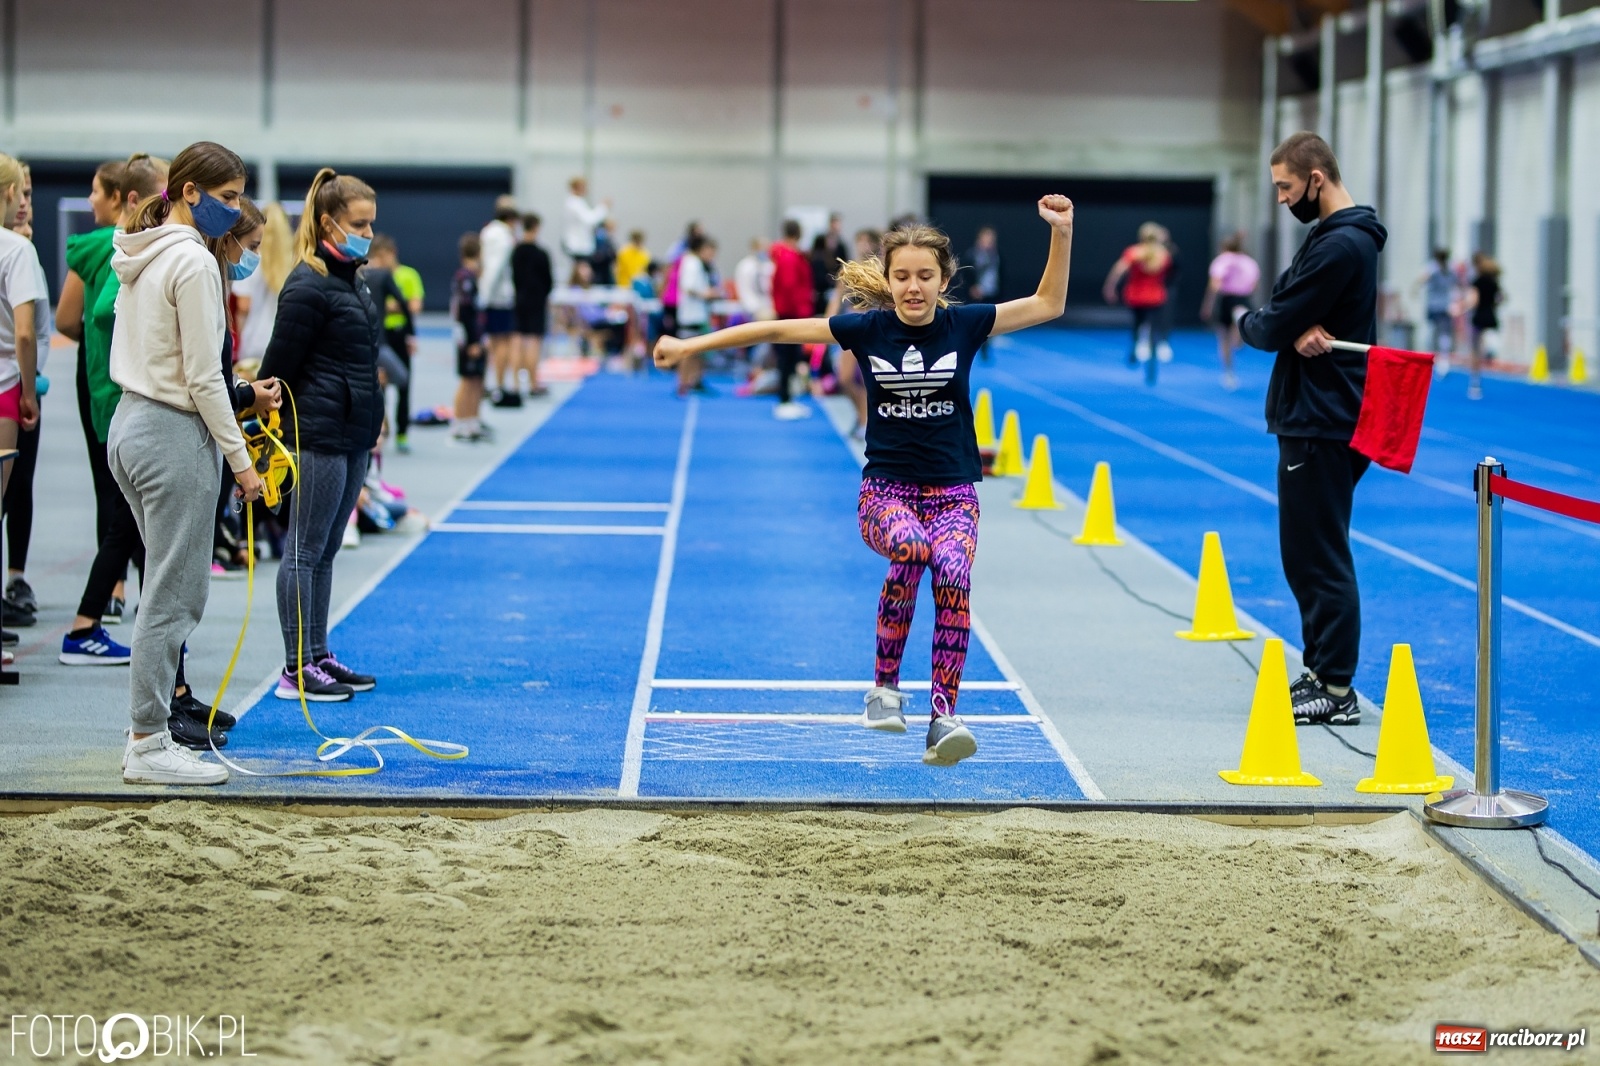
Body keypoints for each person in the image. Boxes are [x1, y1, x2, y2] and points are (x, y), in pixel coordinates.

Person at [653, 195, 1075, 766]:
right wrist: (689, 345)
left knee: (951, 568)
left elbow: (1049, 302)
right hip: (887, 494)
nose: (913, 287)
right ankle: (884, 689)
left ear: (944, 279)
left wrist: (1063, 232)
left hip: (953, 492)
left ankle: (944, 716)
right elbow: (776, 330)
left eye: (925, 275)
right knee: (911, 547)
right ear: (887, 279)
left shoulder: (966, 323)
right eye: (901, 276)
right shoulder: (867, 329)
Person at [106, 140, 264, 785]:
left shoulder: (142, 253)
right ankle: (147, 742)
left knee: (162, 592)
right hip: (171, 434)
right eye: (227, 199)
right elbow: (204, 380)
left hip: (129, 425)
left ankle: (148, 732)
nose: (236, 212)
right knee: (173, 598)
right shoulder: (193, 264)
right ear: (190, 193)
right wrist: (243, 463)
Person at [1239, 131, 1387, 727]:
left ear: (1316, 179)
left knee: (1317, 552)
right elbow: (1284, 308)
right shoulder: (1338, 238)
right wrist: (1284, 318)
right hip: (1324, 410)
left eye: (1285, 186)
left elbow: (1269, 322)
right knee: (1309, 551)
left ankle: (1337, 686)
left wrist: (1269, 322)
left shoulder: (1338, 246)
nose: (1281, 198)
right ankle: (1324, 670)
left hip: (1322, 416)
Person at [258, 167, 384, 703]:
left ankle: (319, 653)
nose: (369, 234)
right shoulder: (307, 284)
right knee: (303, 551)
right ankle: (294, 668)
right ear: (330, 222)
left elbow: (361, 360)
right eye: (360, 224)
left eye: (372, 224)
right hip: (316, 433)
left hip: (353, 431)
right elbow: (278, 367)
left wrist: (375, 419)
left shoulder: (353, 277)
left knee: (328, 549)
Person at [49, 160, 129, 629]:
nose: (91, 200)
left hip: (100, 375)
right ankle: (107, 601)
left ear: (123, 198)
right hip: (118, 380)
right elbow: (99, 314)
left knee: (112, 488)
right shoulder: (108, 246)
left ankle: (112, 593)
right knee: (130, 499)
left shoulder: (102, 246)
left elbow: (69, 320)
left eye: (97, 191)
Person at [2, 161, 49, 631]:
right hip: (13, 387)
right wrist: (29, 387)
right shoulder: (15, 251)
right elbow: (25, 334)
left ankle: (16, 575)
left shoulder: (22, 248)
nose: (24, 205)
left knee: (20, 486)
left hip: (20, 384)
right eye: (21, 194)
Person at [361, 235, 417, 449]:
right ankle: (382, 429)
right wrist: (412, 332)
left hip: (377, 339)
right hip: (380, 341)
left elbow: (411, 304)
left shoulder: (364, 274)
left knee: (381, 384)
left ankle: (392, 430)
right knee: (397, 380)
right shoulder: (382, 275)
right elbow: (403, 303)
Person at [1102, 222, 1172, 383]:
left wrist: (1110, 286)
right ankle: (1152, 363)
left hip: (1136, 295)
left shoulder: (1134, 252)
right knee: (1154, 330)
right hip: (1155, 296)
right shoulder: (1162, 254)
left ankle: (1134, 348)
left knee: (1137, 324)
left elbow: (1119, 270)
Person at [1200, 233, 1260, 390]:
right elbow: (1254, 285)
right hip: (1244, 298)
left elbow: (1214, 285)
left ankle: (1228, 373)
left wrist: (1208, 305)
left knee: (1223, 338)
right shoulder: (1250, 262)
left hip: (1227, 299)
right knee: (1239, 322)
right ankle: (1239, 331)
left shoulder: (1222, 260)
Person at [768, 219, 814, 420]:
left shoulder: (789, 254)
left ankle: (787, 398)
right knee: (788, 357)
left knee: (791, 357)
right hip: (791, 314)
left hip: (791, 312)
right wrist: (802, 313)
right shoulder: (788, 256)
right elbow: (789, 287)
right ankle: (784, 399)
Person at [477, 195, 520, 407]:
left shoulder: (487, 231)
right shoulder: (504, 237)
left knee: (492, 341)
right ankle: (499, 384)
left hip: (491, 294)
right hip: (499, 297)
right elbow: (495, 267)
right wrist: (485, 296)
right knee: (502, 341)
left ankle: (490, 382)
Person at [450, 232, 489, 442]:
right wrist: (472, 342)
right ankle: (459, 422)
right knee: (467, 380)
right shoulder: (464, 277)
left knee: (477, 380)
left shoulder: (473, 277)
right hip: (468, 338)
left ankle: (473, 420)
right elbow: (464, 313)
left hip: (477, 335)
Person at [511, 213, 553, 397]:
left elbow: (513, 276)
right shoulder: (541, 253)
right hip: (536, 299)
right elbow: (548, 281)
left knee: (518, 339)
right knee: (534, 341)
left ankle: (515, 383)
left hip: (519, 298)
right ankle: (533, 382)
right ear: (536, 227)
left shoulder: (516, 251)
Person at [672, 234, 717, 397]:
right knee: (686, 351)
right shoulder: (692, 263)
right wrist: (707, 294)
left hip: (699, 315)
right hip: (690, 316)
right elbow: (688, 287)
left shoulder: (700, 264)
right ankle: (682, 383)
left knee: (699, 351)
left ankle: (696, 380)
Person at [1465, 251, 1501, 401]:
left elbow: (1474, 300)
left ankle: (1475, 384)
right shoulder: (1494, 282)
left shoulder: (1477, 281)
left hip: (1478, 317)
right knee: (1483, 343)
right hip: (1490, 316)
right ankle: (1489, 350)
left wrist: (1460, 308)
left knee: (1474, 351)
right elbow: (1500, 298)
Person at [964, 227, 1000, 363]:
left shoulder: (996, 255)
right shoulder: (972, 255)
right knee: (976, 323)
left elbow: (1000, 274)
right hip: (977, 294)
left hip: (991, 293)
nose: (988, 242)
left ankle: (986, 347)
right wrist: (972, 287)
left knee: (990, 324)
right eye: (986, 239)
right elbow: (967, 273)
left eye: (991, 240)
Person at [1418, 247, 1456, 376]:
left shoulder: (1433, 268)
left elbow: (1422, 279)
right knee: (1443, 333)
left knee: (1434, 331)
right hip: (1444, 305)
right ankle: (1443, 359)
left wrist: (1416, 288)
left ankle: (1432, 357)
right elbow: (1458, 284)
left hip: (1435, 305)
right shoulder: (1450, 269)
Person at [561, 176, 608, 270]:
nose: (585, 190)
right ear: (576, 187)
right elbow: (589, 220)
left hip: (581, 245)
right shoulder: (573, 203)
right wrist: (603, 207)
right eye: (583, 187)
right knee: (580, 272)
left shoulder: (578, 202)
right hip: (577, 246)